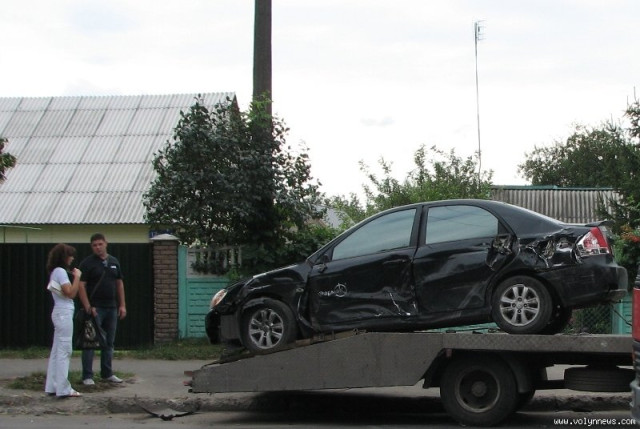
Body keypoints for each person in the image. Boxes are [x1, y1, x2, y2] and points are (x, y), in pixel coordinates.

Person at [77, 233, 127, 385]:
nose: (98, 247)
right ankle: (87, 376)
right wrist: (87, 306)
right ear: (91, 247)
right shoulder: (87, 263)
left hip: (111, 307)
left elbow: (119, 284)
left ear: (106, 243)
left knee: (109, 342)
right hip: (95, 308)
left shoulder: (114, 262)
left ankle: (107, 373)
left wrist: (122, 305)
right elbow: (81, 286)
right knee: (90, 342)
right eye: (94, 245)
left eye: (100, 244)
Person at [44, 243, 82, 398]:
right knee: (65, 350)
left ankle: (52, 385)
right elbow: (70, 293)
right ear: (64, 257)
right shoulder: (60, 272)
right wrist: (77, 277)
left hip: (59, 312)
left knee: (57, 350)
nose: (72, 258)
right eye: (70, 255)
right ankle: (63, 388)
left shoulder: (55, 271)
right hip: (64, 313)